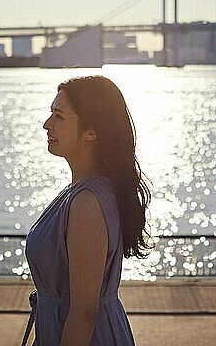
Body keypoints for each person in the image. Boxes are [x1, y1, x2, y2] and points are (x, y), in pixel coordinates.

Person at [25, 75, 152, 346]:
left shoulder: (87, 203)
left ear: (91, 131)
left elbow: (83, 313)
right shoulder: (85, 193)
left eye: (58, 116)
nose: (46, 124)